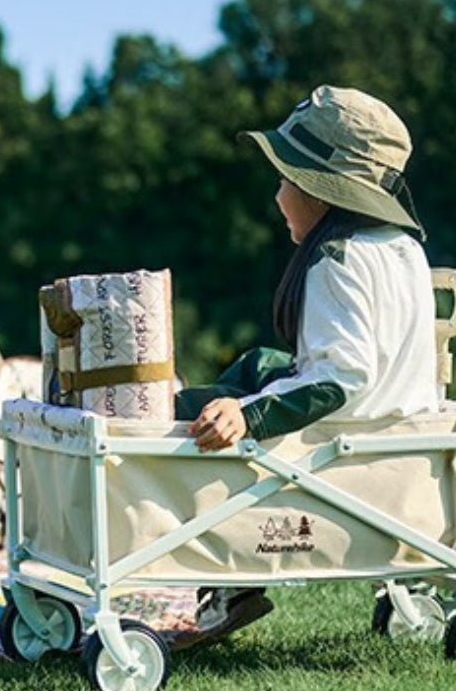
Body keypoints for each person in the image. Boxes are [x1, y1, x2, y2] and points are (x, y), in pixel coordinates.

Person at [174, 86, 437, 644]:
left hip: (338, 455)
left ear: (322, 192)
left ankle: (221, 567)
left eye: (286, 180)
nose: (277, 196)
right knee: (257, 366)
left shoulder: (336, 259)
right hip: (396, 442)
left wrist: (248, 416)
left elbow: (343, 377)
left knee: (193, 411)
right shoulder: (405, 250)